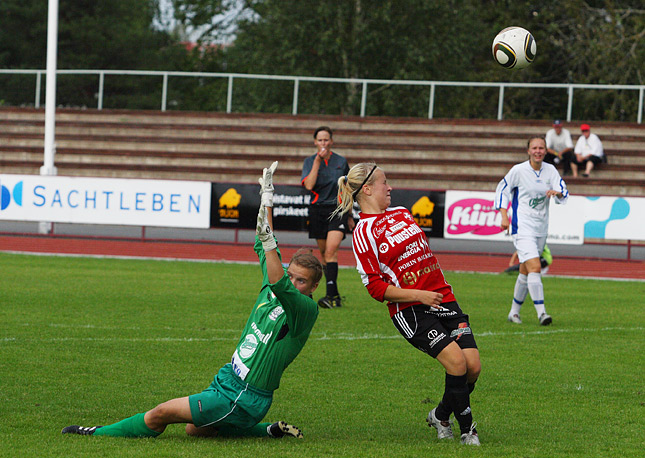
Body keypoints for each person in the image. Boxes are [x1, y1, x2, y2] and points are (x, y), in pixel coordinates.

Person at [62, 162, 323, 440]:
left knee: (159, 414)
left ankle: (96, 434)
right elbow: (264, 243)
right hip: (228, 380)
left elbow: (277, 276)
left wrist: (270, 242)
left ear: (314, 287)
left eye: (302, 281)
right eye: (292, 276)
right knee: (194, 430)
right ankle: (270, 430)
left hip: (246, 396)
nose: (294, 284)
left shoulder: (305, 308)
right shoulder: (277, 282)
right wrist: (267, 199)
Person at [333, 162, 482, 446]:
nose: (389, 188)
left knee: (473, 366)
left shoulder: (401, 213)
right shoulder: (364, 232)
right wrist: (418, 295)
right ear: (367, 189)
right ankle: (467, 432)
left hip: (444, 298)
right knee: (457, 363)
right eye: (384, 183)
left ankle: (439, 414)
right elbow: (375, 287)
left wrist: (431, 289)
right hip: (411, 311)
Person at [495, 137, 569, 325]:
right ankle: (542, 313)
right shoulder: (518, 171)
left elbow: (563, 189)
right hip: (522, 226)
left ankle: (513, 313)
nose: (538, 151)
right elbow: (502, 190)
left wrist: (558, 193)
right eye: (534, 148)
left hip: (541, 227)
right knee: (535, 267)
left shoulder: (550, 170)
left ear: (546, 151)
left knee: (525, 270)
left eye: (541, 148)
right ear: (528, 151)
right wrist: (504, 216)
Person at [301, 126, 353, 308]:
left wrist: (350, 215)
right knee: (324, 255)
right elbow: (309, 185)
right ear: (315, 142)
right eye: (320, 140)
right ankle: (335, 295)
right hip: (318, 210)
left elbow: (347, 188)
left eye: (326, 140)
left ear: (331, 141)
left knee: (331, 251)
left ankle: (330, 296)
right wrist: (317, 161)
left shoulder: (341, 161)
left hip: (338, 209)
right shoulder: (309, 162)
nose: (323, 143)